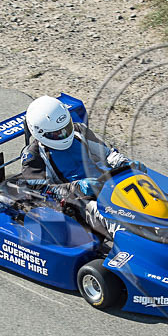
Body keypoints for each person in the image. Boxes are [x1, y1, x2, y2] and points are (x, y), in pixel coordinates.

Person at [20, 95, 146, 239]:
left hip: (107, 184)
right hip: (78, 202)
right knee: (118, 220)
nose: (64, 134)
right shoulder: (33, 156)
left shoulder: (79, 130)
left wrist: (125, 163)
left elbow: (107, 154)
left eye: (66, 128)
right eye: (56, 133)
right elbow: (42, 191)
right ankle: (133, 247)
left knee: (147, 199)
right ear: (40, 132)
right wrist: (77, 187)